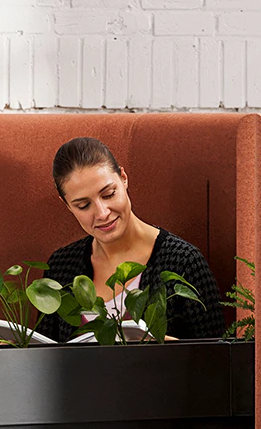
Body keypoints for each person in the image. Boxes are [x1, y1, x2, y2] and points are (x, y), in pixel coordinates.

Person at [40, 136, 224, 342]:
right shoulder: (61, 266)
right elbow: (44, 357)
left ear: (124, 178)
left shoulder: (183, 261)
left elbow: (220, 360)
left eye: (109, 194)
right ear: (66, 205)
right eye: (83, 205)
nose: (102, 213)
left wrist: (167, 348)